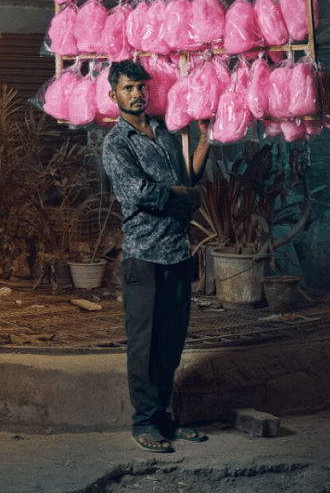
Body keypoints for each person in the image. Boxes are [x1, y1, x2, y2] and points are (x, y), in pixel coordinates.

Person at [101, 59, 211, 453]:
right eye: (128, 88)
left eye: (141, 87)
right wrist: (184, 198)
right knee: (144, 343)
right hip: (144, 257)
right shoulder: (116, 144)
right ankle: (143, 422)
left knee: (172, 341)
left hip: (177, 252)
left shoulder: (164, 134)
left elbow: (186, 179)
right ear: (114, 95)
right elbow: (140, 193)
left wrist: (203, 142)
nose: (136, 93)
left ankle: (163, 417)